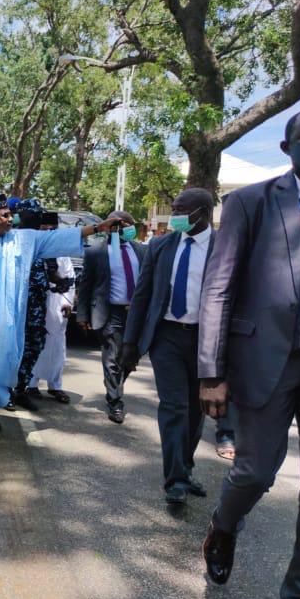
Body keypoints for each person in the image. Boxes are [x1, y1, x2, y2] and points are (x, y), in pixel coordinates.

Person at [198, 108, 300, 599]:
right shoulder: (250, 203)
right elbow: (217, 290)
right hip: (267, 361)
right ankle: (224, 525)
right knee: (256, 472)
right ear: (287, 148)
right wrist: (211, 372)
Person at [0, 195, 123, 446]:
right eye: (5, 215)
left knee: (0, 370)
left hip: (6, 323)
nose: (10, 219)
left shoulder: (22, 241)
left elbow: (55, 239)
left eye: (10, 215)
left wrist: (96, 227)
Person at [119, 188, 216, 505]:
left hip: (206, 339)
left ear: (202, 211)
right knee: (173, 406)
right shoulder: (161, 246)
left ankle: (184, 469)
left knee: (195, 410)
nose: (175, 213)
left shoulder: (224, 247)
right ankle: (174, 479)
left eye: (181, 208)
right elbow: (142, 296)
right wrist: (130, 343)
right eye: (173, 207)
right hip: (167, 337)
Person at [76, 211, 146, 424]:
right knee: (113, 358)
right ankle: (115, 402)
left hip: (136, 314)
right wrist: (82, 314)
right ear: (110, 227)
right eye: (119, 224)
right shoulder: (97, 252)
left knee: (130, 358)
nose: (125, 228)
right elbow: (86, 285)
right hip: (110, 313)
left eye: (129, 224)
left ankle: (115, 385)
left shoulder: (143, 251)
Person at [9, 200, 52, 412]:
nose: (37, 219)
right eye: (33, 215)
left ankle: (20, 388)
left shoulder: (39, 241)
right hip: (17, 311)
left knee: (35, 346)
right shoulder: (11, 240)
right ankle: (6, 391)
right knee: (13, 350)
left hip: (36, 311)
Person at [27, 255, 75, 402]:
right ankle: (31, 385)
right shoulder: (36, 250)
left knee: (57, 346)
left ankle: (55, 386)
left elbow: (69, 279)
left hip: (58, 303)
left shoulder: (63, 256)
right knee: (35, 343)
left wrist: (68, 302)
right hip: (37, 302)